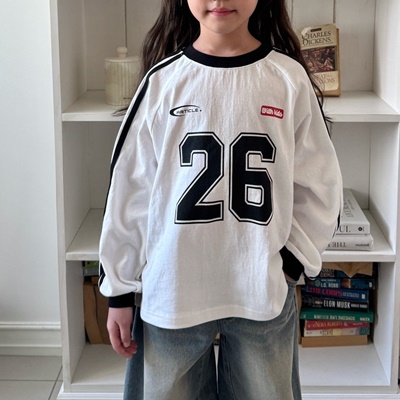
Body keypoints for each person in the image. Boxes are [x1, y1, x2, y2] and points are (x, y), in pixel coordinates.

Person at [98, 0, 343, 399]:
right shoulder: (163, 82)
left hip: (261, 293)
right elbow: (130, 192)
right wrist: (119, 290)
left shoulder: (287, 79)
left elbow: (320, 184)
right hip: (173, 292)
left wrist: (292, 260)